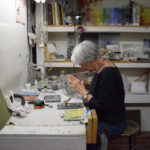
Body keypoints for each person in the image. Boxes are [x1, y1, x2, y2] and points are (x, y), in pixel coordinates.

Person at [67, 40, 127, 150]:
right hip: (102, 117)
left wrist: (83, 91)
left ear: (92, 60)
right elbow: (103, 90)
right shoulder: (101, 66)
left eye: (83, 65)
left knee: (82, 136)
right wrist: (87, 85)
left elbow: (102, 106)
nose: (82, 67)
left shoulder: (108, 74)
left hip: (111, 123)